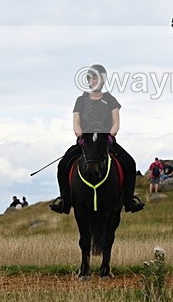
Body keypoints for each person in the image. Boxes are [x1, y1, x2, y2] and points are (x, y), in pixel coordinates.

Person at [50, 64, 144, 214]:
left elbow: (116, 122)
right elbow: (76, 120)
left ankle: (129, 200)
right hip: (85, 142)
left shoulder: (110, 99)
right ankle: (65, 201)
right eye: (91, 78)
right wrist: (80, 136)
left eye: (96, 78)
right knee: (63, 165)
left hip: (106, 141)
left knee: (129, 163)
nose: (93, 81)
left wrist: (110, 136)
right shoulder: (81, 100)